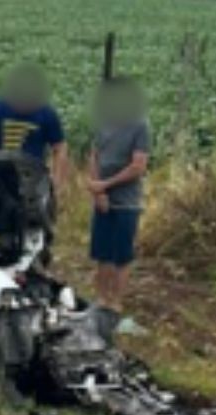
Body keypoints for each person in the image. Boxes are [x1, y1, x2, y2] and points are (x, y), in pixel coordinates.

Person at [85, 76, 151, 315]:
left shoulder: (140, 125)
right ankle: (101, 299)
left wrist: (105, 184)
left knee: (121, 255)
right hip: (102, 199)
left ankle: (115, 304)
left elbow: (138, 166)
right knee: (102, 253)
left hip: (126, 202)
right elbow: (94, 155)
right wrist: (96, 188)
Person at [0, 64, 69, 189]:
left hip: (33, 176)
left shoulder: (47, 113)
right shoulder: (0, 108)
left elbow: (60, 148)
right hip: (3, 175)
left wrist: (56, 182)